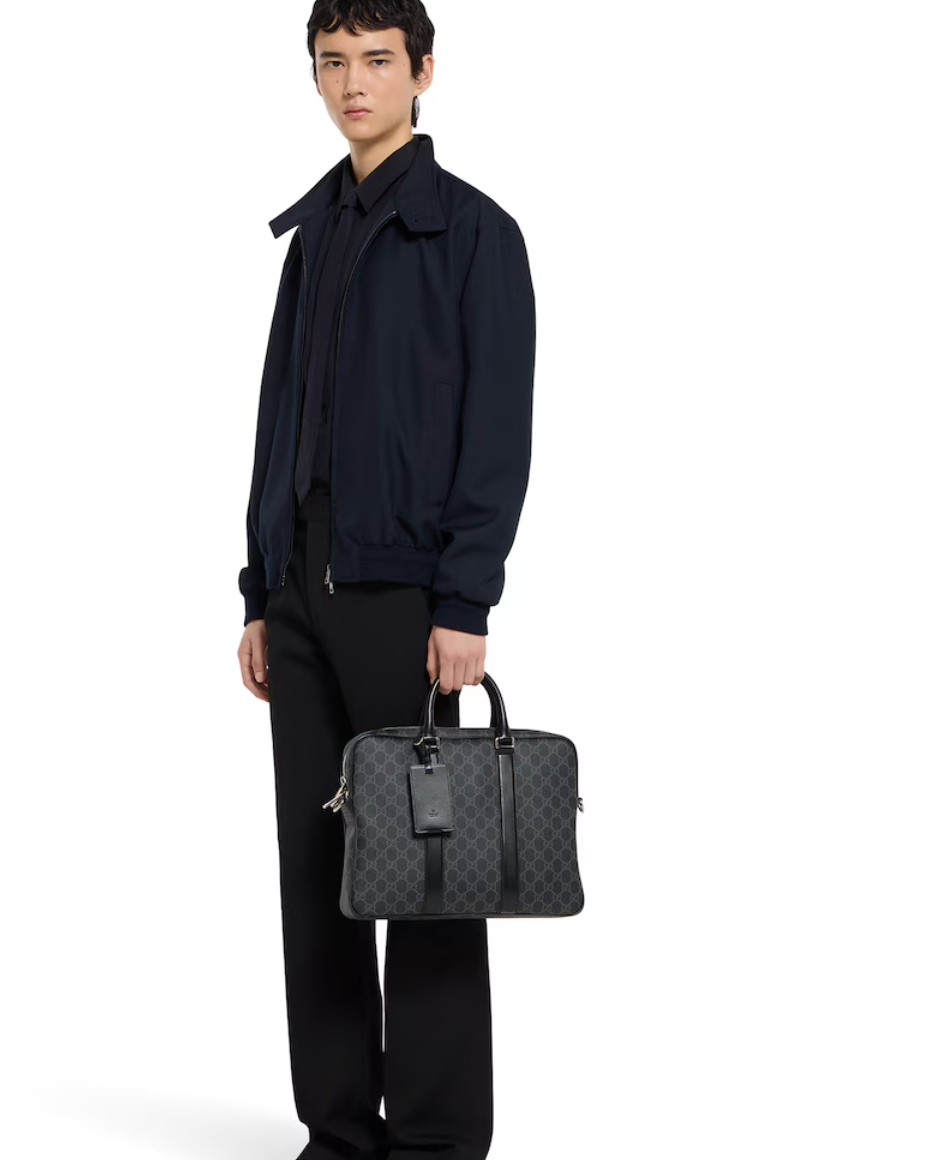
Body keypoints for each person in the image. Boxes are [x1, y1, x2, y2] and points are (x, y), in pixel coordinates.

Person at [235, 4, 536, 1158]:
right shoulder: (313, 237)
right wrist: (260, 589)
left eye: (375, 60)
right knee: (316, 867)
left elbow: (495, 431)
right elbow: (278, 424)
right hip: (301, 591)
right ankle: (339, 1131)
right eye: (332, 63)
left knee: (426, 867)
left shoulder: (473, 235)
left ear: (423, 73)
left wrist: (465, 598)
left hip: (403, 595)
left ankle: (440, 1137)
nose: (352, 82)